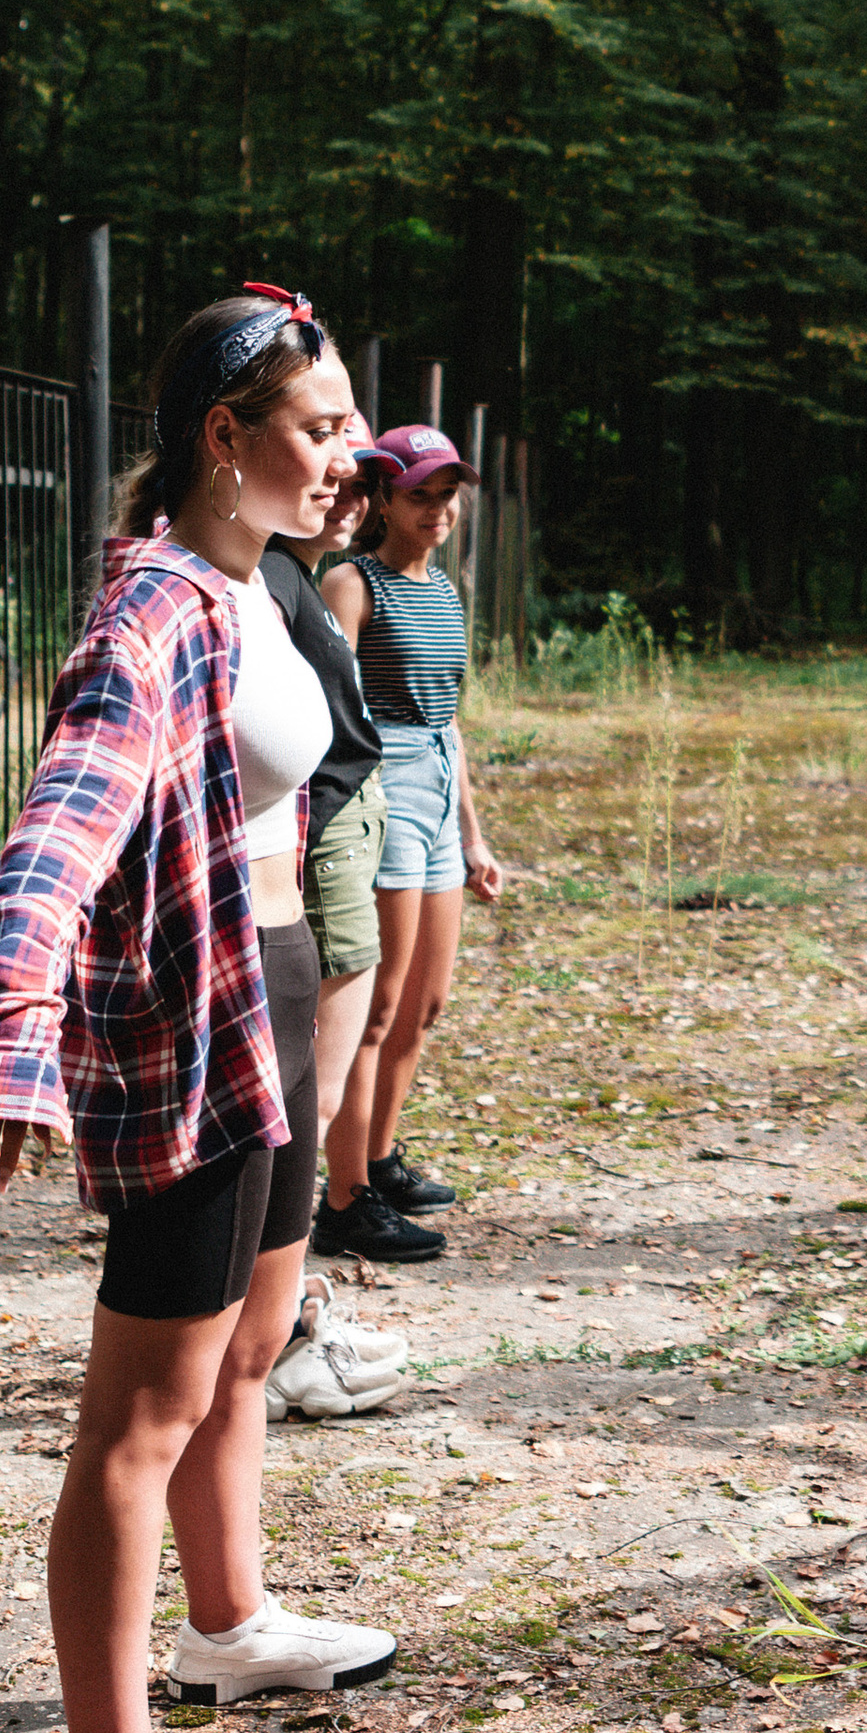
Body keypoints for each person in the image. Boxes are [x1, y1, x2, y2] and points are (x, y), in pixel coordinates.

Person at [0, 287, 400, 1733]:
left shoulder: (260, 585)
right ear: (225, 436)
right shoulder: (158, 610)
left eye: (347, 428)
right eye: (322, 429)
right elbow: (66, 818)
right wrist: (8, 1021)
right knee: (144, 1408)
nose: (350, 457)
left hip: (269, 989)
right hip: (188, 1027)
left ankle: (232, 1622)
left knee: (254, 1343)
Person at [260, 419, 420, 1410]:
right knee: (301, 1111)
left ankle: (282, 1329)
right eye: (331, 458)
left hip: (327, 840)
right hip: (308, 856)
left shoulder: (284, 580)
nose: (347, 491)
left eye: (362, 480)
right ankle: (279, 1342)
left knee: (303, 1108)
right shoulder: (273, 585)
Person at [316, 421, 503, 1254]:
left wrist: (474, 834)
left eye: (447, 494)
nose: (438, 509)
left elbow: (449, 719)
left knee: (425, 1004)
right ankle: (345, 1198)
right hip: (381, 781)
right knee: (375, 1007)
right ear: (382, 497)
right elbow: (332, 708)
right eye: (420, 494)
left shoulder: (442, 590)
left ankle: (381, 1158)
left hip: (434, 784)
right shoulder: (352, 583)